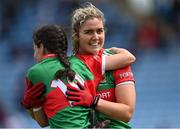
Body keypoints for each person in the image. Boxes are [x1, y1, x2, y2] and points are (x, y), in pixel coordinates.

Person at [21, 24, 135, 128]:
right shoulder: (84, 63)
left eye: (34, 48)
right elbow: (129, 58)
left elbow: (43, 123)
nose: (34, 55)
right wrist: (116, 50)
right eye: (89, 32)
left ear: (40, 46)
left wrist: (31, 106)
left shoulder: (35, 72)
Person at [66, 2, 136, 128]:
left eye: (99, 31)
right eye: (88, 32)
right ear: (76, 36)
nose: (96, 37)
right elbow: (48, 120)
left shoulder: (118, 61)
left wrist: (94, 101)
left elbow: (127, 113)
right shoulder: (69, 67)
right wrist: (34, 108)